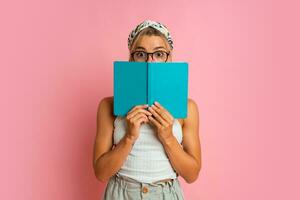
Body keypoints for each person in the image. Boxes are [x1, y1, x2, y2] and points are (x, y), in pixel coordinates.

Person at [93, 20, 202, 200]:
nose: (150, 61)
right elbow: (101, 173)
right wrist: (129, 137)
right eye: (141, 54)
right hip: (121, 193)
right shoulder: (108, 106)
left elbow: (192, 175)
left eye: (159, 54)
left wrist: (167, 137)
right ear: (131, 59)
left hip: (166, 194)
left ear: (170, 58)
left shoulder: (187, 108)